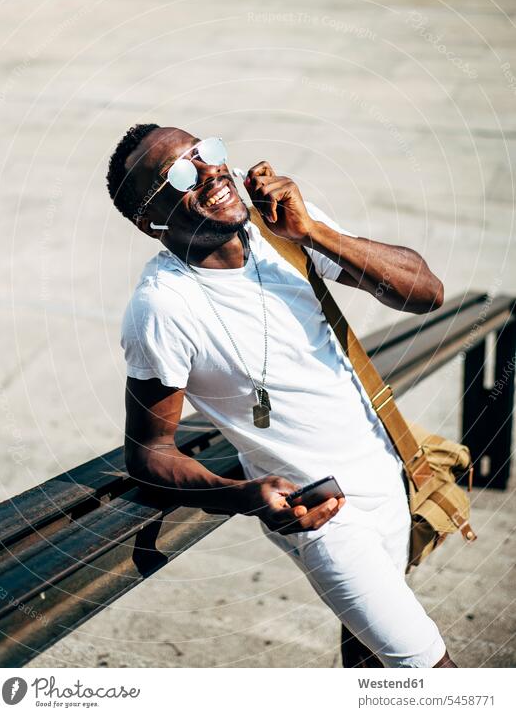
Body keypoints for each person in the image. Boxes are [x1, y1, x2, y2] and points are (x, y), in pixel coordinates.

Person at [106, 123, 455, 668]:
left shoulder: (282, 232)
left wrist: (313, 232)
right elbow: (149, 452)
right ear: (150, 221)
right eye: (178, 172)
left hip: (387, 478)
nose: (209, 171)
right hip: (323, 516)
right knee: (431, 673)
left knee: (369, 663)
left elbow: (426, 294)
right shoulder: (163, 307)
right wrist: (243, 494)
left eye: (206, 151)